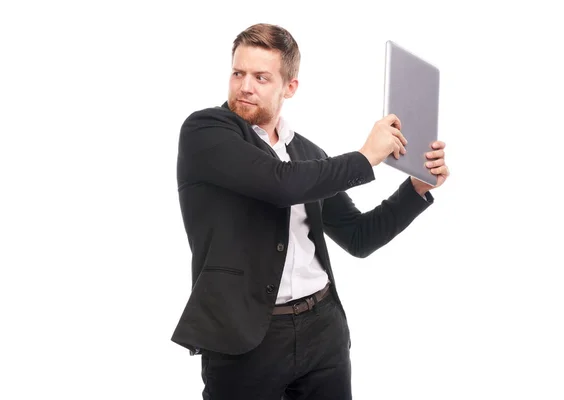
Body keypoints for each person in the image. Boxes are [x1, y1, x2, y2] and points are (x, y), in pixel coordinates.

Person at [172, 23, 449, 399]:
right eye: (238, 73)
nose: (245, 86)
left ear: (290, 87)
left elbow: (358, 236)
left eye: (261, 77)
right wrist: (366, 157)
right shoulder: (206, 131)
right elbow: (280, 183)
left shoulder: (307, 156)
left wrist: (416, 190)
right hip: (244, 337)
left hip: (323, 329)